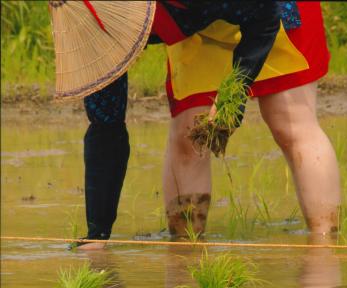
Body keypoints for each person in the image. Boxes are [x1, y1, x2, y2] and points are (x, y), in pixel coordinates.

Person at [75, 0, 282, 249]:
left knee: (287, 116)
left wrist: (234, 92)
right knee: (106, 118)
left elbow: (266, 18)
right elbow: (106, 124)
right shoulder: (89, 21)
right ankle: (101, 236)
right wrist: (96, 235)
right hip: (120, 24)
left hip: (226, 14)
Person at [163, 1, 341, 238]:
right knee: (190, 131)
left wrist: (234, 93)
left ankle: (325, 248)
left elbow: (266, 15)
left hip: (274, 12)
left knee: (289, 123)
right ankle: (183, 251)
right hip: (195, 22)